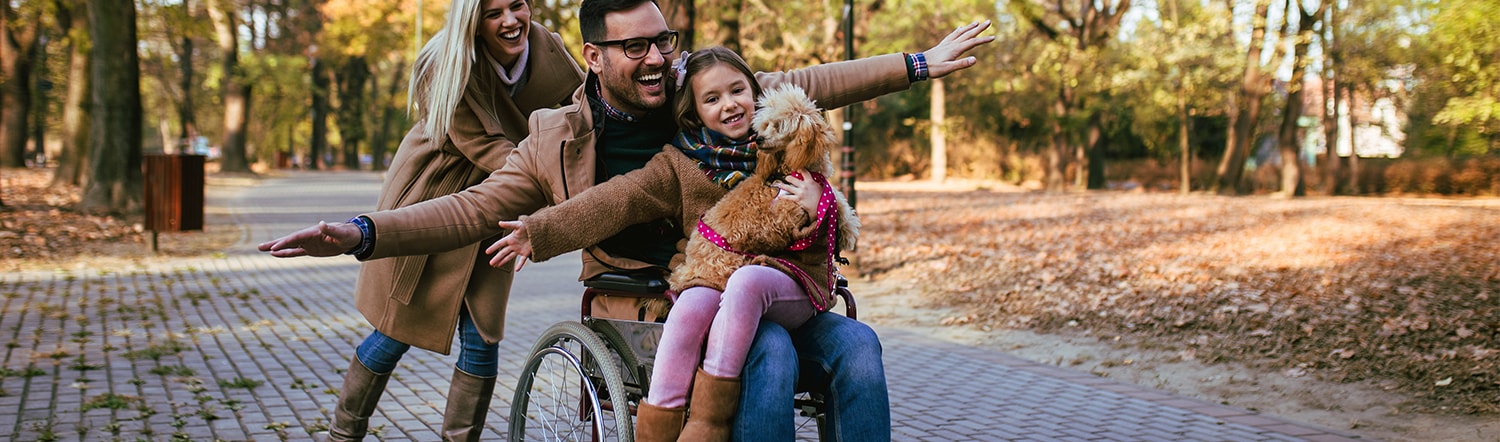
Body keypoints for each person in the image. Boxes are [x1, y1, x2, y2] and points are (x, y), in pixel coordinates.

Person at [258, 0, 993, 439]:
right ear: (594, 54)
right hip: (646, 299)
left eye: (663, 41)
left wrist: (922, 63)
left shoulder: (701, 90)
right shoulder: (557, 134)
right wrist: (362, 233)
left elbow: (811, 84)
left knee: (859, 345)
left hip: (765, 280)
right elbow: (475, 208)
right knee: (766, 355)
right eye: (635, 46)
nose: (656, 58)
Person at [484, 47, 856, 441]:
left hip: (791, 293)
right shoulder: (679, 165)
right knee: (772, 346)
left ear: (755, 92)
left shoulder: (783, 144)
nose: (730, 105)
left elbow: (833, 233)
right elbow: (617, 199)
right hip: (721, 301)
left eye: (738, 91)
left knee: (859, 343)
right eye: (712, 99)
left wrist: (821, 205)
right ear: (695, 111)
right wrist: (540, 231)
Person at [324, 0, 584, 440]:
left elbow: (587, 109)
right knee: (395, 330)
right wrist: (555, 183)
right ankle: (343, 433)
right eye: (493, 12)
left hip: (501, 203)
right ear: (473, 21)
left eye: (517, 6)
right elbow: (487, 148)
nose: (510, 21)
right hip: (437, 196)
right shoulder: (443, 63)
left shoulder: (549, 51)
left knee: (483, 334)